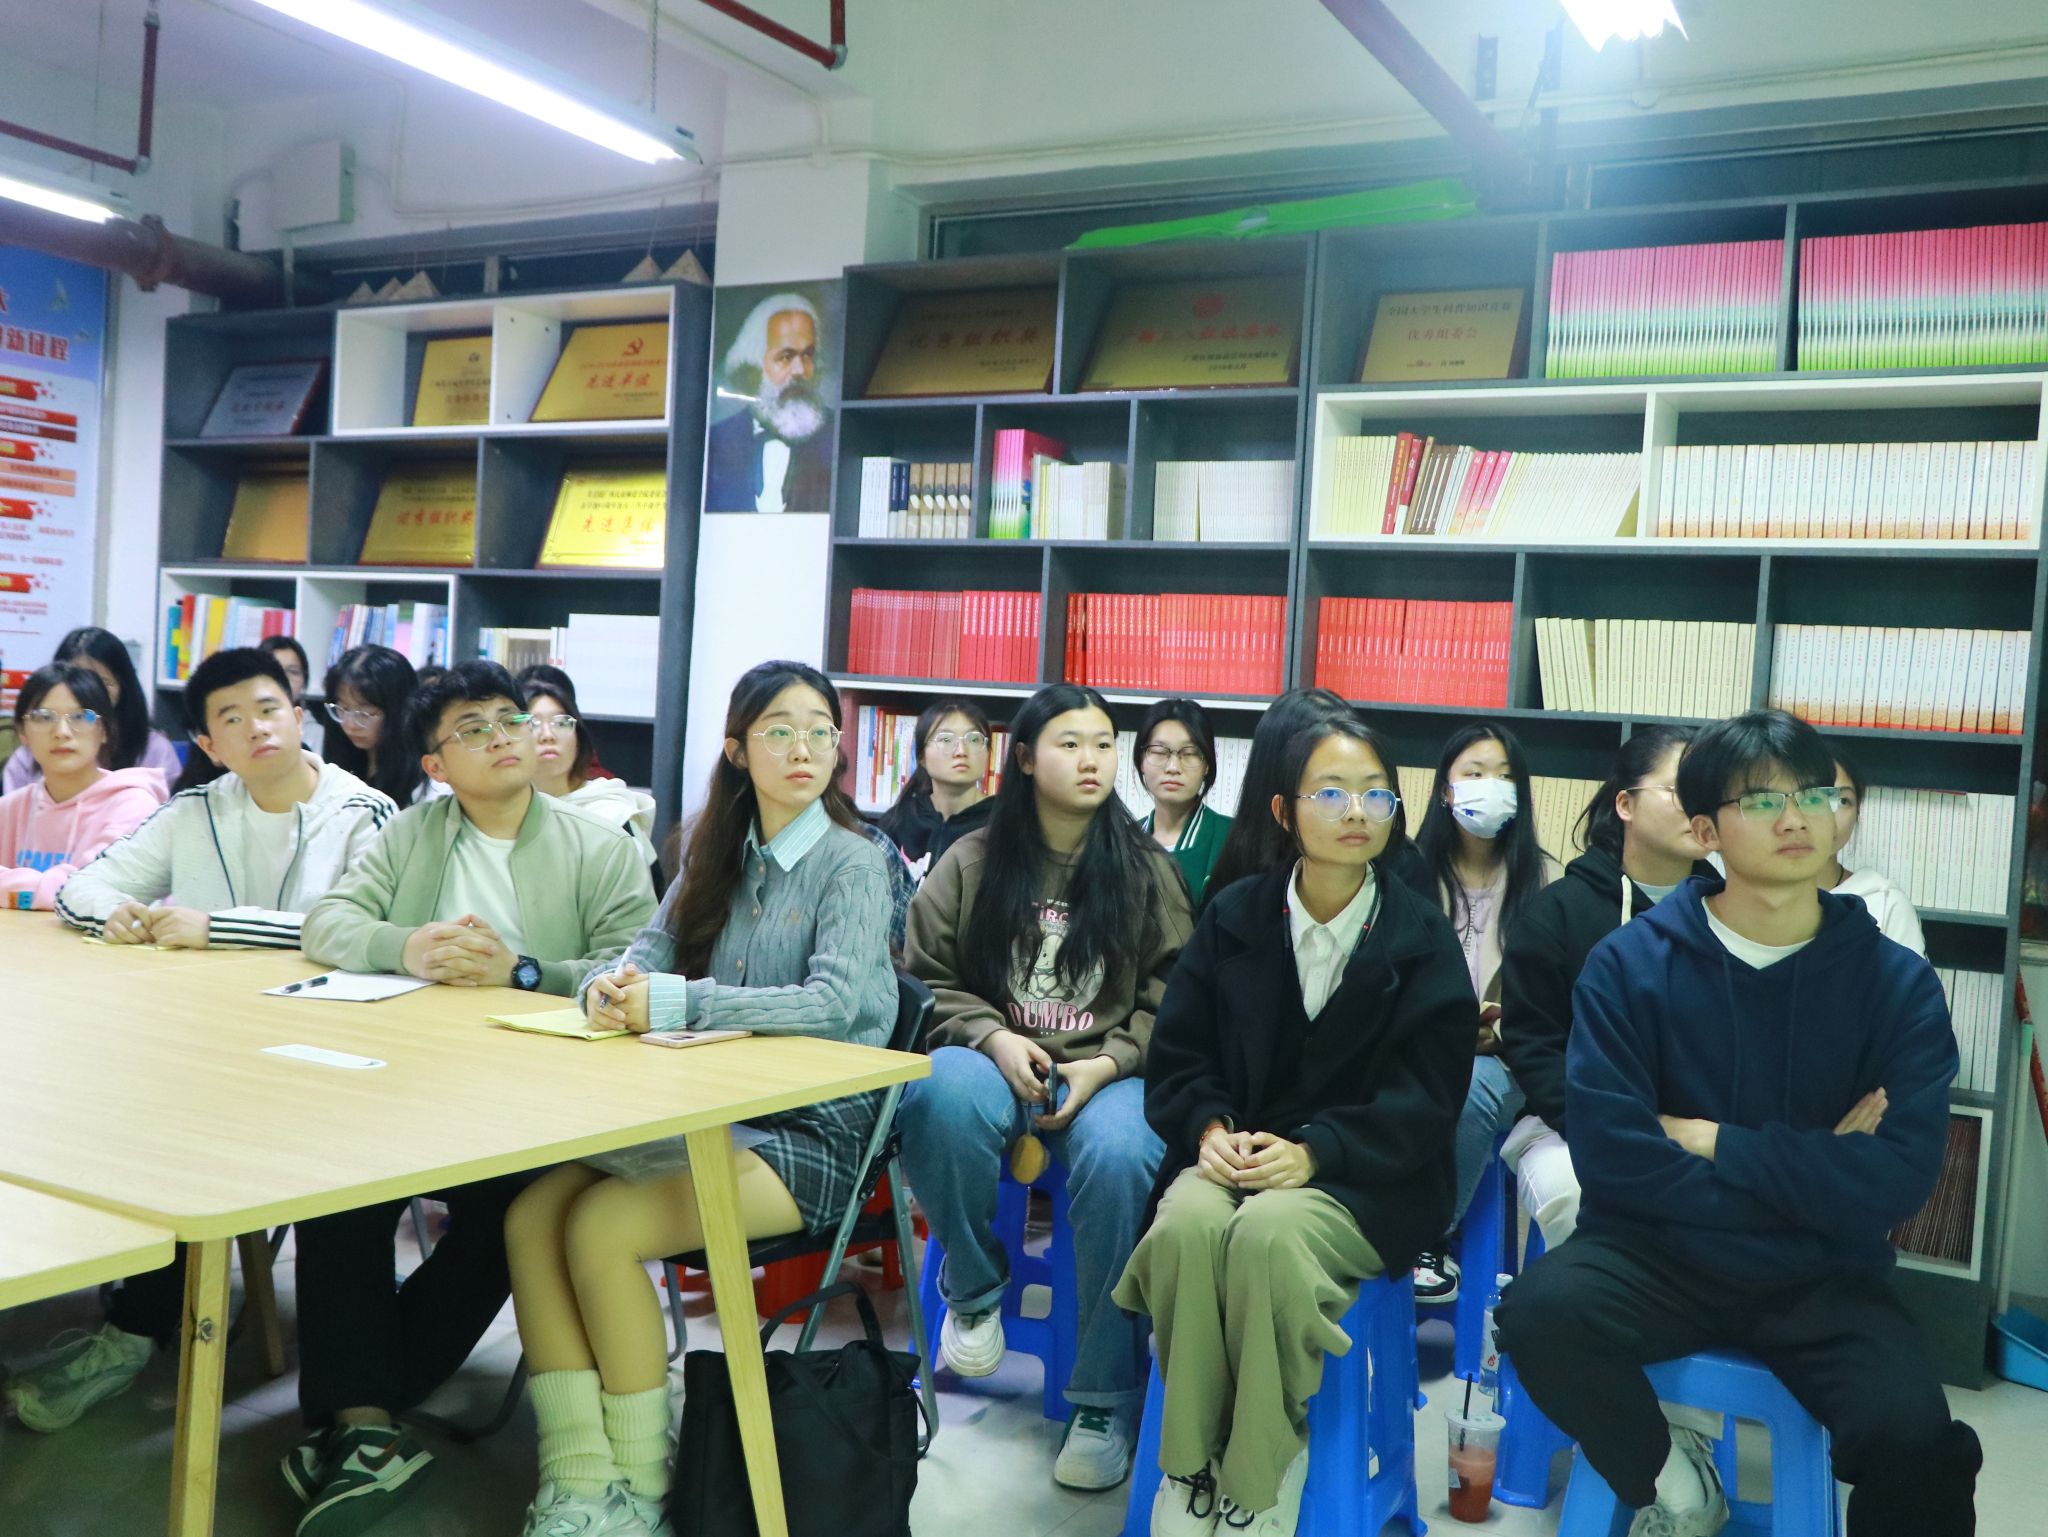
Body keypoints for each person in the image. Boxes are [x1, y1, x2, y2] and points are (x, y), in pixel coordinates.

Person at [1496, 710, 1982, 1537]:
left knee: (1916, 1437)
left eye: (1816, 795)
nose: (1797, 818)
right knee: (1539, 1315)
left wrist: (1717, 1140)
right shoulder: (1630, 964)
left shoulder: (1895, 984)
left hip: (1821, 1272)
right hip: (1658, 1257)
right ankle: (1675, 1479)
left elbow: (1899, 1176)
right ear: (1704, 830)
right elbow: (1615, 1159)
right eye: (1761, 801)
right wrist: (1818, 1163)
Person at [502, 660, 898, 1537]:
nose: (804, 748)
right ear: (737, 749)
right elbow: (644, 950)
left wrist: (678, 1001)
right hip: (708, 1109)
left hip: (814, 1133)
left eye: (821, 731)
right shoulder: (718, 847)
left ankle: (643, 1485)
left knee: (601, 1228)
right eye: (780, 731)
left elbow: (835, 1005)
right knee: (530, 1217)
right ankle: (579, 1478)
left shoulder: (854, 861)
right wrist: (606, 988)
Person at [288, 660, 657, 1536]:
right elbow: (327, 922)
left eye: (510, 719)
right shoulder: (411, 835)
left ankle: (361, 1408)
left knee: (509, 1212)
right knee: (335, 1189)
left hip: (542, 1100)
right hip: (409, 1083)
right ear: (435, 763)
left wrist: (522, 971)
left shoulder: (600, 845)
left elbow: (636, 965)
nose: (502, 737)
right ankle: (365, 1421)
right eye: (474, 729)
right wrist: (406, 946)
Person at [13, 648, 392, 1434]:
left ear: (299, 714)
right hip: (208, 1057)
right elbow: (85, 885)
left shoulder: (364, 812)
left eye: (269, 707)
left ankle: (338, 1400)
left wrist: (217, 927)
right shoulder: (196, 809)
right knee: (122, 1112)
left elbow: (360, 931)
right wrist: (114, 912)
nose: (257, 727)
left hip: (334, 1063)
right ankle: (132, 1327)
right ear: (209, 744)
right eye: (231, 718)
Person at [1115, 710, 1474, 1537]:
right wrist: (1208, 1129)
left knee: (1267, 1235)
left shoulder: (1421, 937)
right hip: (1236, 1151)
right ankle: (1190, 1468)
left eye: (1377, 794)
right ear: (1284, 811)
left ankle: (1258, 1481)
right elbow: (1180, 1054)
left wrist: (1316, 1153)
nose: (1358, 811)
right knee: (1186, 1224)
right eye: (1333, 792)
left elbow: (1428, 1099)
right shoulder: (1235, 915)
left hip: (1365, 1177)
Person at [901, 682, 1194, 1492]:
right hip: (994, 1060)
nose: (1092, 759)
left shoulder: (1148, 870)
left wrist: (1108, 1063)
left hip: (1109, 1074)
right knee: (938, 1090)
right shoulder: (972, 859)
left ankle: (1101, 1397)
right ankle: (974, 1288)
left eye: (1104, 743)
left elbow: (1178, 1000)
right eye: (1070, 743)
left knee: (1124, 1152)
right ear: (1026, 758)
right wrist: (993, 1037)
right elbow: (924, 979)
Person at [1497, 725, 1705, 1249]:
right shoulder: (1558, 912)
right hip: (1567, 1127)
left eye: (1708, 790)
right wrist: (1616, 1131)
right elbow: (1535, 1046)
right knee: (1580, 1195)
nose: (1698, 805)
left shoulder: (1729, 908)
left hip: (1701, 1127)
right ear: (1625, 804)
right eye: (1679, 789)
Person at [1405, 721, 1558, 1301]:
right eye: (1474, 773)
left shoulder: (1547, 880)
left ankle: (1428, 1237)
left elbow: (1557, 998)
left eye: (1504, 776)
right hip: (1415, 1054)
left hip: (1508, 1066)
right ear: (1446, 790)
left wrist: (1504, 1028)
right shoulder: (1408, 873)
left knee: (1470, 1084)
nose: (1490, 787)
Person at [0, 663, 164, 911]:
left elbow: (89, 891)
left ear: (105, 730)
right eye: (43, 717)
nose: (62, 732)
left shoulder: (134, 806)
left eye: (80, 717)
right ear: (22, 732)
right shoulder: (11, 808)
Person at [2, 625, 180, 793]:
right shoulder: (28, 756)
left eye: (102, 682)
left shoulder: (154, 750)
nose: (88, 691)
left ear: (123, 685)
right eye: (76, 681)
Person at [704, 291, 833, 514]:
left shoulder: (838, 436)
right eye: (785, 357)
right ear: (754, 364)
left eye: (808, 355)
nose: (799, 370)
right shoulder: (717, 441)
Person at [519, 663, 658, 868]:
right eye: (533, 723)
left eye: (561, 722)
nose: (548, 735)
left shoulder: (611, 816)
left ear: (579, 736)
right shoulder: (497, 814)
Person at [873, 698, 995, 876]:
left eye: (974, 739)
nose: (961, 751)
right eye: (946, 739)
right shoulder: (898, 821)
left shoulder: (1006, 823)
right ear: (921, 757)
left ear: (988, 752)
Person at [1825, 749, 1926, 957]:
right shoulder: (1760, 900)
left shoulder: (1886, 903)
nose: (1828, 815)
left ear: (1857, 813)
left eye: (1843, 800)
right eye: (1813, 798)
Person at [1135, 698, 1232, 904]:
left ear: (1207, 764)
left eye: (1189, 754)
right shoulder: (1121, 841)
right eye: (1159, 752)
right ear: (1141, 761)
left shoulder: (1233, 839)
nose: (1173, 767)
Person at [321, 643, 435, 806]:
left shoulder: (427, 784)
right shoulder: (342, 767)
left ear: (400, 711)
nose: (350, 724)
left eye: (365, 714)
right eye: (343, 709)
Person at [261, 633, 323, 754]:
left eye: (293, 672)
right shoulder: (246, 728)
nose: (284, 678)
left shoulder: (318, 735)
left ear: (304, 680)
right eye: (275, 671)